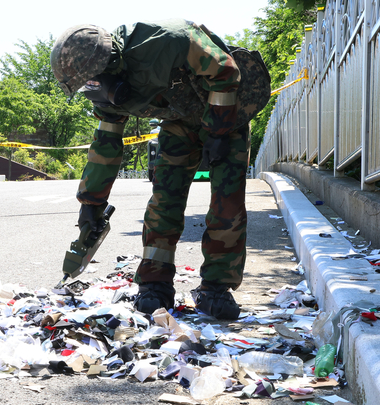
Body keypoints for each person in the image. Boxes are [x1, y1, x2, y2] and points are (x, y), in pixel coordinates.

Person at [51, 20, 269, 320]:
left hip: (225, 108)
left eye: (93, 81)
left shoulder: (167, 42)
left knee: (226, 201)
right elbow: (105, 145)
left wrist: (218, 132)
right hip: (179, 121)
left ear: (111, 65)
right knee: (165, 198)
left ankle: (216, 288)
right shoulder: (104, 92)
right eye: (86, 86)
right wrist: (91, 204)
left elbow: (226, 70)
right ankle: (155, 284)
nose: (93, 91)